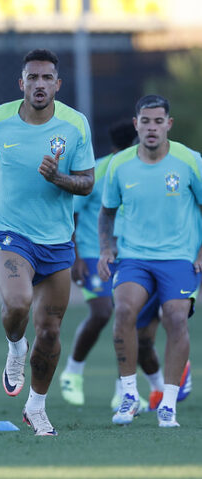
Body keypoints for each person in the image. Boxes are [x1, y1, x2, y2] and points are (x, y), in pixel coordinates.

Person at [0, 49, 95, 436]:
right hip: (9, 231)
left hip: (56, 239)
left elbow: (87, 183)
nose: (39, 85)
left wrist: (60, 179)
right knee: (18, 302)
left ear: (58, 84)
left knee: (52, 332)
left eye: (47, 78)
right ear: (21, 83)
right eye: (32, 78)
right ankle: (16, 347)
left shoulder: (75, 126)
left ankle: (36, 407)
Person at [98, 94, 202, 428]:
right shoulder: (120, 164)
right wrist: (105, 248)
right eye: (146, 121)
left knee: (176, 318)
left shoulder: (189, 161)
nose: (152, 127)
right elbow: (107, 213)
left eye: (159, 121)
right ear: (136, 124)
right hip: (134, 257)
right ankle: (130, 395)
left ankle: (168, 403)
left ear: (168, 124)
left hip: (178, 256)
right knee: (125, 311)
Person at [60, 121, 163, 408]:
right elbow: (73, 214)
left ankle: (123, 392)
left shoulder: (141, 170)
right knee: (102, 312)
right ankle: (73, 371)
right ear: (131, 143)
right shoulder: (98, 171)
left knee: (128, 319)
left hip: (128, 254)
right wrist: (76, 256)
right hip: (94, 254)